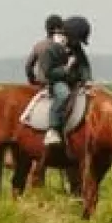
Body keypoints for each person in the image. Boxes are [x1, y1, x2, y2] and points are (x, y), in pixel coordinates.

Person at [41, 15, 92, 147]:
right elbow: (49, 71)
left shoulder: (76, 48)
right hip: (57, 81)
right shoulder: (52, 48)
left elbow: (84, 65)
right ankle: (52, 129)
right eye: (78, 40)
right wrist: (67, 67)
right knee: (63, 94)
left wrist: (87, 79)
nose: (78, 44)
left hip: (74, 80)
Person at [24, 14, 66, 86]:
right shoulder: (63, 45)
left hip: (41, 84)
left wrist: (32, 80)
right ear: (58, 28)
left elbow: (28, 66)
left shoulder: (39, 45)